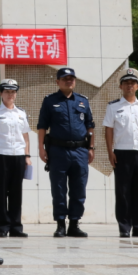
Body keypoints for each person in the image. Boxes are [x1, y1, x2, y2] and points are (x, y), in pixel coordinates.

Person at [37, 67, 95, 238]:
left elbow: (90, 126)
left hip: (80, 150)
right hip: (58, 151)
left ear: (75, 81)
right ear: (58, 82)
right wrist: (41, 148)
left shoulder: (83, 101)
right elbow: (42, 126)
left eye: (71, 78)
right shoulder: (50, 101)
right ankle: (61, 224)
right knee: (59, 189)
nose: (68, 81)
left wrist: (91, 148)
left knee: (79, 189)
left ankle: (74, 224)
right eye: (65, 79)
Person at [104, 68, 138, 238]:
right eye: (126, 83)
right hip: (122, 153)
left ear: (137, 86)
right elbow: (109, 130)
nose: (129, 86)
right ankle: (124, 227)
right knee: (123, 191)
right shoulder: (113, 107)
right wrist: (110, 151)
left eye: (132, 83)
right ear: (121, 86)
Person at [0, 79, 32, 238]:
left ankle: (16, 227)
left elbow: (25, 137)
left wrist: (27, 155)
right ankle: (3, 227)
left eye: (13, 92)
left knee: (16, 193)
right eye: (7, 91)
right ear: (1, 93)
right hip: (1, 155)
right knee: (1, 192)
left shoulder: (21, 113)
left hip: (18, 155)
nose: (10, 95)